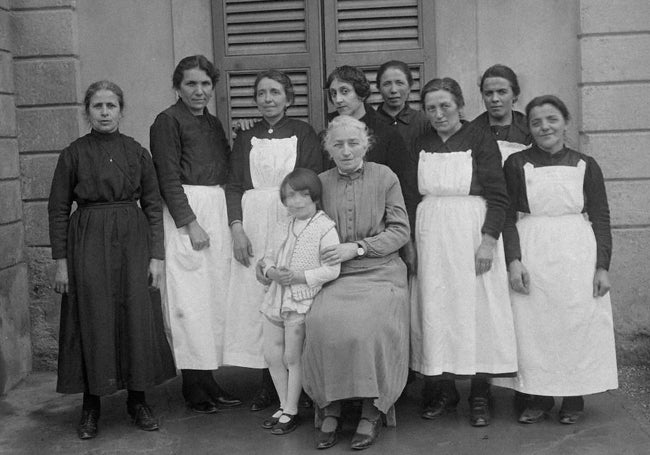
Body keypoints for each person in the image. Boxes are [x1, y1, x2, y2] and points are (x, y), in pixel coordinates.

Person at [48, 80, 176, 439]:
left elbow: (153, 206)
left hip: (133, 241)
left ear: (122, 110)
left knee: (136, 315)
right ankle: (91, 406)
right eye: (97, 106)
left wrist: (156, 256)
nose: (105, 112)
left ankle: (138, 399)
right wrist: (62, 262)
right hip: (87, 241)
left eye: (111, 106)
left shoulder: (136, 152)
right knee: (94, 318)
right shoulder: (73, 154)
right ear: (87, 111)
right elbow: (58, 209)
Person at [494, 95, 617, 424]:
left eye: (551, 119)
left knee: (575, 322)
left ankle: (574, 397)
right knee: (536, 326)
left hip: (577, 251)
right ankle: (540, 395)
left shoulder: (585, 164)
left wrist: (602, 266)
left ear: (565, 122)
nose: (544, 127)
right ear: (529, 129)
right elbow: (506, 215)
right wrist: (514, 260)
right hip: (533, 247)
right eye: (536, 122)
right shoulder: (517, 164)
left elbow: (601, 217)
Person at [403, 77, 517, 427]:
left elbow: (499, 196)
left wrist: (488, 241)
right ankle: (444, 388)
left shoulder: (480, 138)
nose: (439, 114)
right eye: (432, 108)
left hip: (470, 231)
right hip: (430, 232)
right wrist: (409, 244)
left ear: (460, 105)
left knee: (475, 309)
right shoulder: (420, 143)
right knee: (437, 307)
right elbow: (408, 197)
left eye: (445, 106)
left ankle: (479, 394)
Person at [302, 115, 410, 450]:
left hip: (381, 271)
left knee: (368, 327)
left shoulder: (385, 176)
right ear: (328, 148)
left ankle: (371, 409)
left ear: (366, 144)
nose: (346, 151)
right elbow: (308, 229)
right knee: (320, 321)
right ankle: (330, 405)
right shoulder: (320, 182)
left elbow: (400, 230)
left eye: (353, 143)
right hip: (338, 274)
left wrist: (360, 246)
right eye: (338, 144)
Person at [225, 69, 322, 411]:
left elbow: (311, 179)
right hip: (254, 219)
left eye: (275, 92)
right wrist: (236, 227)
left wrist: (303, 222)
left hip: (290, 214)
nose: (268, 99)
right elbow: (235, 184)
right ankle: (268, 383)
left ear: (288, 97)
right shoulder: (245, 137)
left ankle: (302, 386)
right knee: (261, 300)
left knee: (292, 299)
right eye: (261, 93)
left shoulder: (303, 133)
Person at [149, 55, 241, 414]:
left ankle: (209, 379)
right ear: (177, 87)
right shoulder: (167, 122)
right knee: (189, 300)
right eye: (191, 84)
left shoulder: (214, 124)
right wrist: (189, 223)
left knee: (212, 299)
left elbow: (226, 164)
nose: (199, 91)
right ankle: (193, 386)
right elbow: (167, 178)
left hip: (215, 208)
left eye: (205, 84)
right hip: (187, 214)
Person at [254, 168, 340, 435]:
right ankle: (282, 404)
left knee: (293, 356)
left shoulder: (325, 227)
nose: (297, 201)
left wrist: (301, 276)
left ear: (314, 196)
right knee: (272, 354)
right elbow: (267, 256)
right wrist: (270, 271)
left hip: (300, 300)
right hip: (275, 299)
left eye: (304, 195)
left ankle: (291, 409)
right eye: (290, 195)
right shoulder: (282, 224)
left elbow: (332, 269)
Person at [324, 65, 407, 174]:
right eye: (334, 93)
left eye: (345, 91)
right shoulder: (327, 133)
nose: (338, 100)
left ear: (361, 93)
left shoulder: (387, 134)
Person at [470, 64, 532, 164]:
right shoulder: (471, 132)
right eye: (489, 93)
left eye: (502, 92)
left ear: (515, 95)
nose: (495, 99)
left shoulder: (529, 129)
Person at [375, 60, 430, 152]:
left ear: (410, 87)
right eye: (387, 84)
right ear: (378, 88)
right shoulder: (368, 123)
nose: (393, 90)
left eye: (399, 83)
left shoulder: (424, 122)